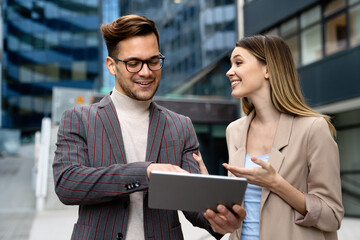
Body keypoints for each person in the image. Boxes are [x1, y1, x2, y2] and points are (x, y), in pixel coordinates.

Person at [52, 14, 245, 240]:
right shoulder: (79, 118)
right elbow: (67, 183)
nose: (146, 72)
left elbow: (195, 207)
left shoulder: (180, 126)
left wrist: (219, 220)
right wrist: (145, 172)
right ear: (111, 65)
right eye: (133, 63)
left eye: (153, 61)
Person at [194, 34, 344, 240]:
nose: (229, 72)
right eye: (231, 65)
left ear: (268, 69)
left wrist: (276, 184)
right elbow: (239, 211)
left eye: (238, 62)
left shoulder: (313, 129)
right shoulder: (234, 131)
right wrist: (211, 193)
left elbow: (332, 215)